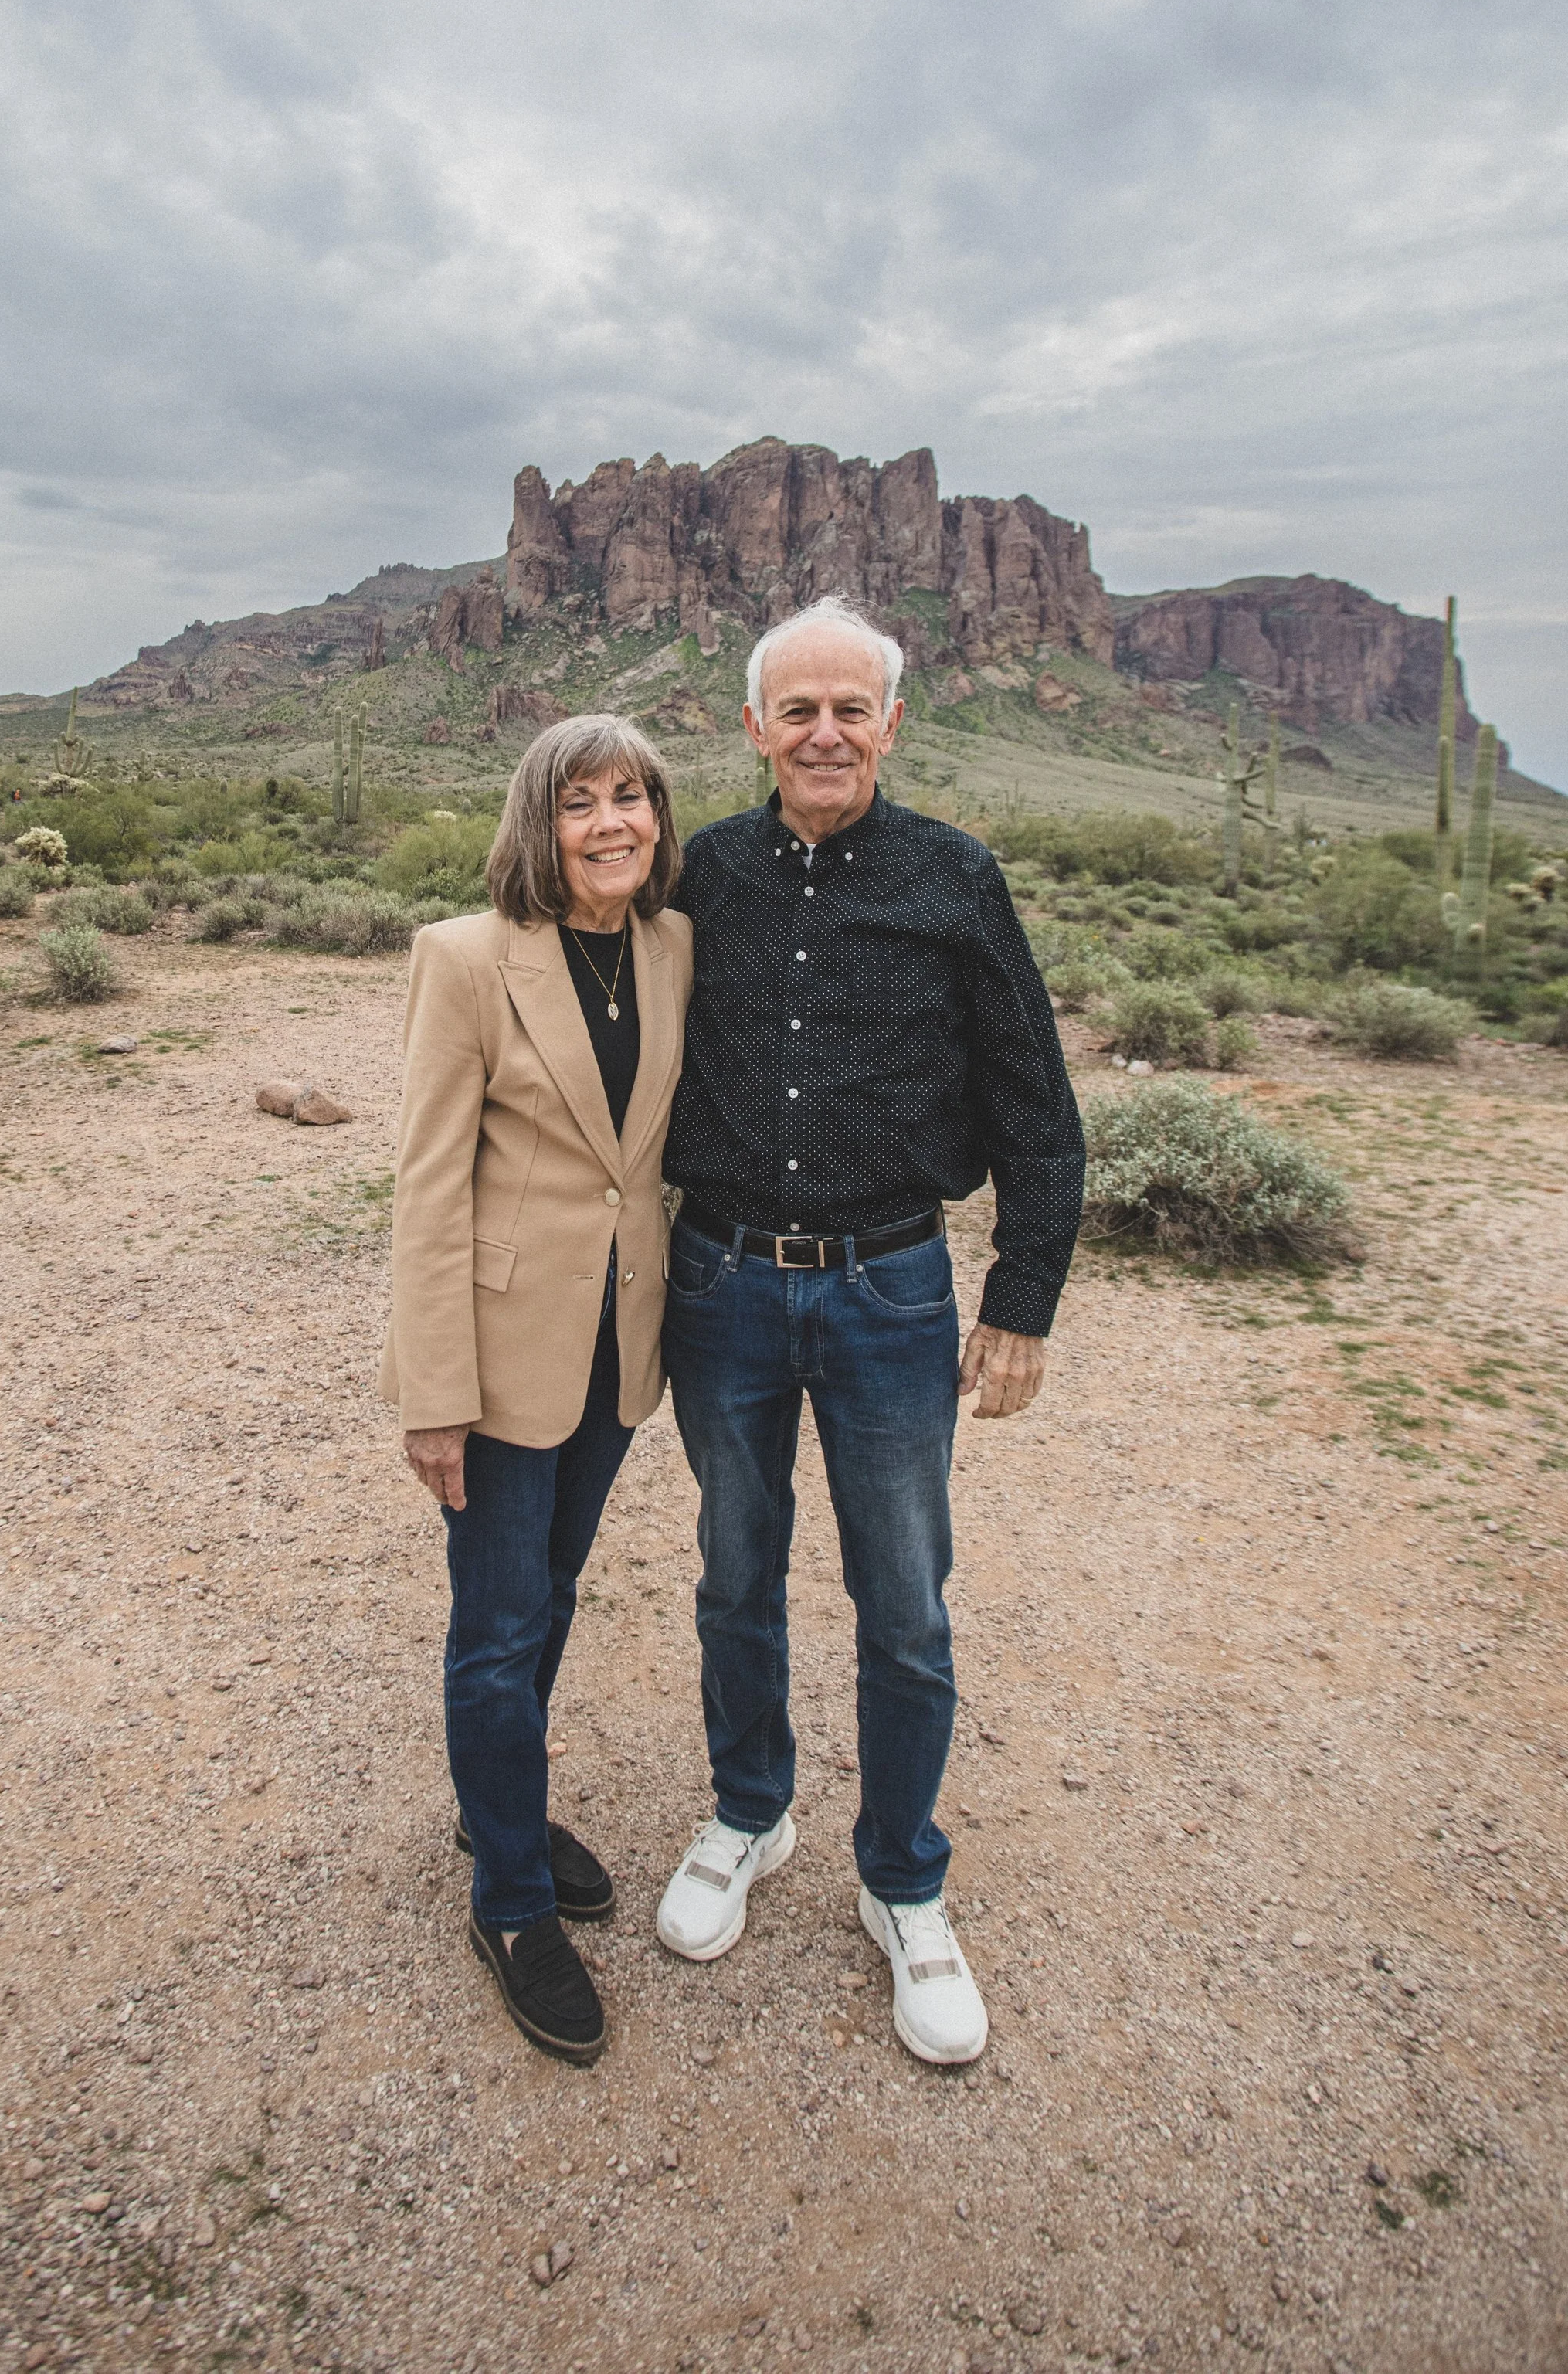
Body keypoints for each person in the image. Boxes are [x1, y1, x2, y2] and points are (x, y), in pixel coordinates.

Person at [653, 596, 1084, 2067]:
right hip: (720, 1282)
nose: (825, 732)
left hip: (895, 1285)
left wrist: (1022, 1301)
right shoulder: (699, 869)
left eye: (853, 709)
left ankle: (904, 1879)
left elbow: (1039, 1105)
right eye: (799, 709)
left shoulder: (956, 879)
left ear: (892, 725)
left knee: (905, 1599)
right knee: (735, 1567)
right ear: (756, 727)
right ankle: (749, 1812)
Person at [381, 716, 693, 2066]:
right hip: (502, 1360)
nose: (613, 821)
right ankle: (507, 1899)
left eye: (632, 796)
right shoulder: (464, 959)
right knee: (499, 1627)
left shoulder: (674, 946)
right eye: (583, 802)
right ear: (539, 822)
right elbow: (427, 1184)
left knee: (551, 1596)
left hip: (618, 1347)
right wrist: (432, 1391)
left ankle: (487, 1800)